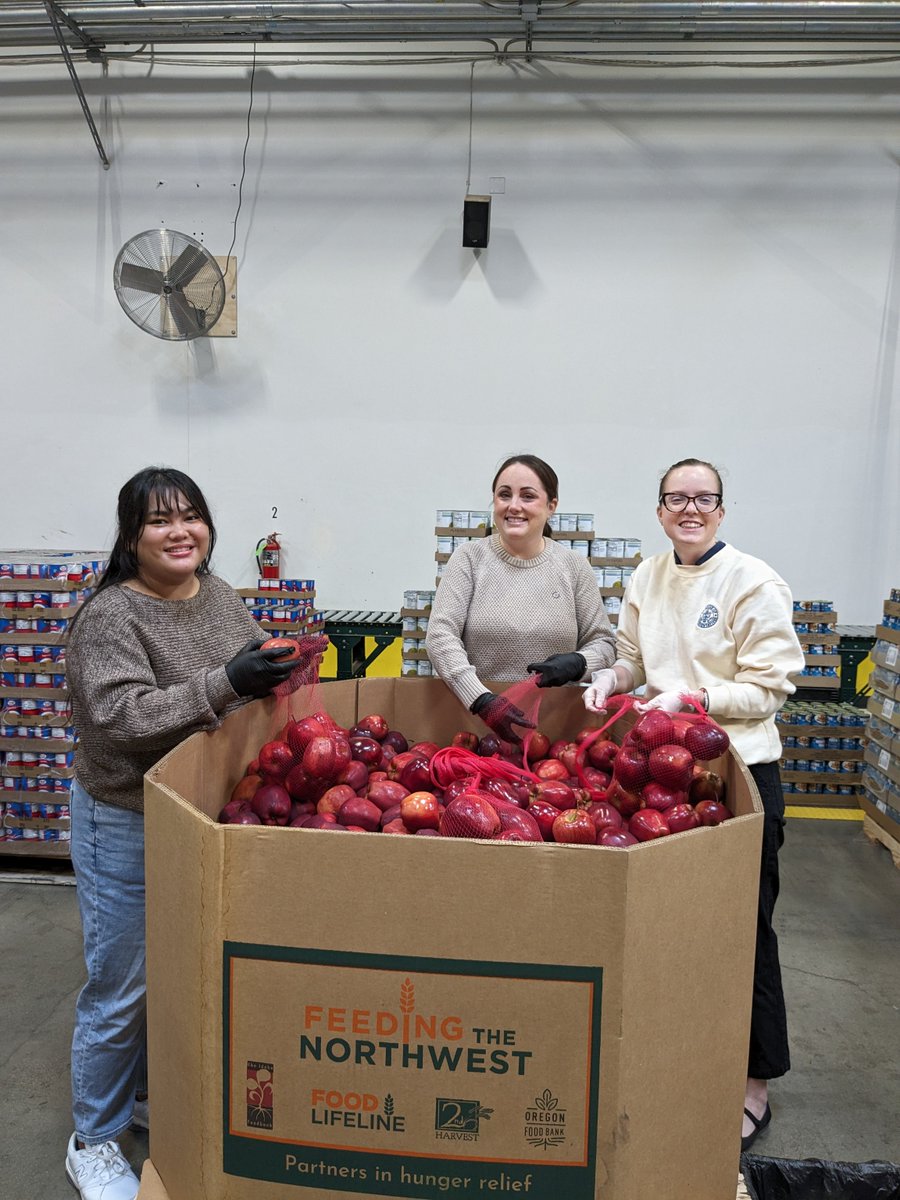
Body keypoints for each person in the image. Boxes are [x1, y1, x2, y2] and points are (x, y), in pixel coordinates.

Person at [64, 467, 311, 1200]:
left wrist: (282, 664)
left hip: (200, 814)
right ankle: (94, 1139)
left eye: (191, 517)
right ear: (131, 537)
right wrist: (227, 683)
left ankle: (141, 1095)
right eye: (159, 522)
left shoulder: (222, 596)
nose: (180, 533)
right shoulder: (112, 616)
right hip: (127, 819)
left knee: (177, 969)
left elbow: (247, 661)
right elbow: (120, 719)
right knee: (120, 987)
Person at [583, 457, 804, 1153]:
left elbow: (771, 686)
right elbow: (630, 658)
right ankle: (676, 1057)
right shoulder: (647, 576)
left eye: (703, 498)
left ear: (721, 509)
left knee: (744, 927)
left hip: (736, 774)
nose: (689, 508)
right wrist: (608, 678)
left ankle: (755, 1081)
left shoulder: (753, 582)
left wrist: (698, 697)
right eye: (676, 498)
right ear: (658, 511)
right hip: (659, 776)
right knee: (669, 927)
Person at [426, 454, 616, 740]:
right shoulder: (468, 559)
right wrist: (481, 699)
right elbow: (440, 635)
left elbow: (603, 643)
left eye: (528, 496)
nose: (514, 506)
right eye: (504, 495)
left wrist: (580, 662)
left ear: (552, 506)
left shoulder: (574, 566)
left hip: (551, 732)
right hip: (477, 727)